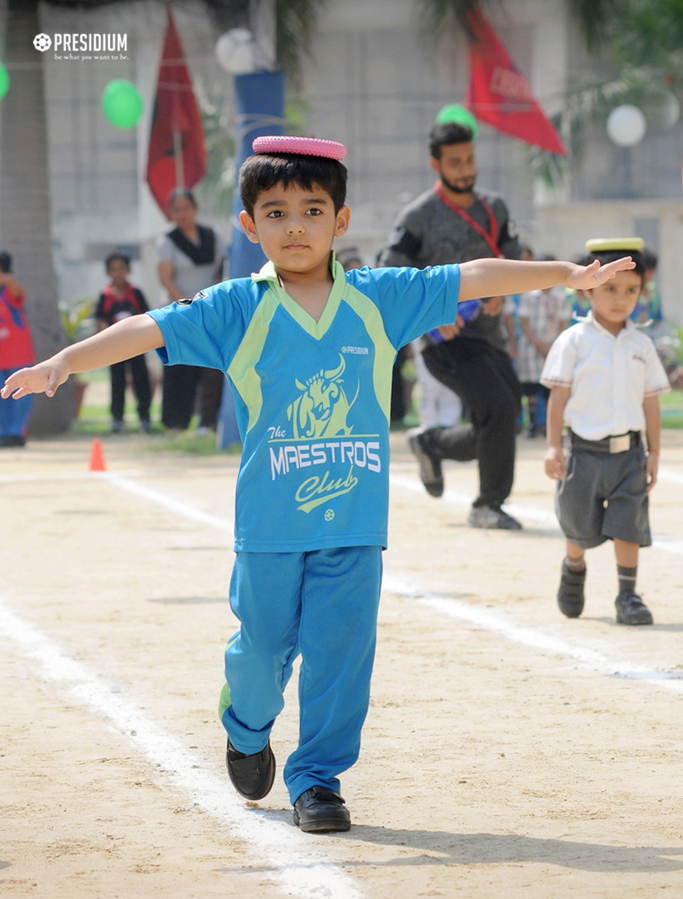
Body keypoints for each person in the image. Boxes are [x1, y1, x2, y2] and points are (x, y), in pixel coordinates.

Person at [1, 136, 634, 831]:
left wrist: (565, 274)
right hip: (270, 528)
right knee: (260, 653)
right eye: (275, 213)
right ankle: (246, 726)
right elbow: (146, 330)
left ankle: (317, 779)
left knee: (340, 655)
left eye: (312, 209)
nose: (295, 226)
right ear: (249, 226)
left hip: (354, 526)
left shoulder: (378, 300)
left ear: (341, 220)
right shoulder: (234, 308)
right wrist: (62, 361)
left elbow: (474, 275)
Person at [380, 120, 524, 529]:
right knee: (497, 408)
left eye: (470, 159)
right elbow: (390, 276)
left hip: (489, 336)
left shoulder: (494, 208)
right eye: (455, 161)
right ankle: (488, 505)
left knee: (502, 416)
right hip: (444, 340)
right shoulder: (418, 217)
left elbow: (516, 257)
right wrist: (429, 320)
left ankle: (432, 443)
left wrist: (503, 290)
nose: (465, 168)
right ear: (436, 164)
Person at [542, 238, 670, 626]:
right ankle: (574, 566)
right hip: (583, 453)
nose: (621, 299)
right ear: (588, 289)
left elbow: (650, 403)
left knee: (629, 524)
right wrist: (552, 447)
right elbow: (558, 399)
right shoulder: (574, 342)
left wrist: (654, 453)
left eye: (631, 290)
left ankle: (627, 596)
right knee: (579, 526)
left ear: (642, 293)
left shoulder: (642, 344)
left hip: (629, 455)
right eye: (609, 289)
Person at [157, 188, 227, 433]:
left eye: (186, 208)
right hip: (181, 312)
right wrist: (187, 305)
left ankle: (207, 421)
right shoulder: (168, 241)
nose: (182, 214)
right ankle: (176, 422)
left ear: (195, 209)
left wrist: (211, 303)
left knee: (212, 368)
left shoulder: (212, 236)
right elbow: (166, 278)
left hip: (211, 311)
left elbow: (221, 269)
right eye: (177, 210)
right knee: (180, 365)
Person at [95, 252, 152, 433]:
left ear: (128, 270)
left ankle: (144, 417)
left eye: (121, 269)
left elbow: (147, 317)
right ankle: (117, 419)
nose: (118, 273)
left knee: (141, 381)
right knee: (117, 382)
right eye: (113, 269)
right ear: (107, 272)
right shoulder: (105, 296)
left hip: (137, 345)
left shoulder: (135, 293)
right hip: (114, 347)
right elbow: (100, 321)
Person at [517, 257, 570, 437]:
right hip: (532, 345)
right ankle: (532, 425)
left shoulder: (560, 297)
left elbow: (564, 322)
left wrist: (554, 343)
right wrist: (538, 343)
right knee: (531, 386)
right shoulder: (529, 295)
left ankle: (549, 426)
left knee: (550, 387)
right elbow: (523, 322)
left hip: (553, 345)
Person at [0, 252, 35, 447]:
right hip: (1, 357)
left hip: (18, 356)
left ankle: (17, 431)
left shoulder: (10, 291)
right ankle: (4, 431)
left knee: (20, 395)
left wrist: (6, 277)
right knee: (2, 396)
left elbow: (15, 290)